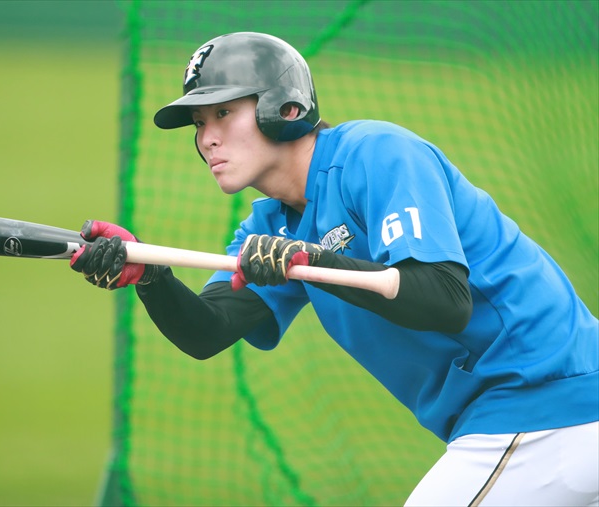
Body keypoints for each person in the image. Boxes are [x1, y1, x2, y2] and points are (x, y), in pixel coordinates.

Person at [70, 32, 599, 506]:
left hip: (550, 404)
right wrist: (150, 275)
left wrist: (313, 263)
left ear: (285, 107)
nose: (207, 138)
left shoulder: (377, 153)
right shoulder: (270, 226)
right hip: (530, 417)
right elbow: (208, 330)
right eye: (199, 123)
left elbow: (443, 298)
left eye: (224, 113)